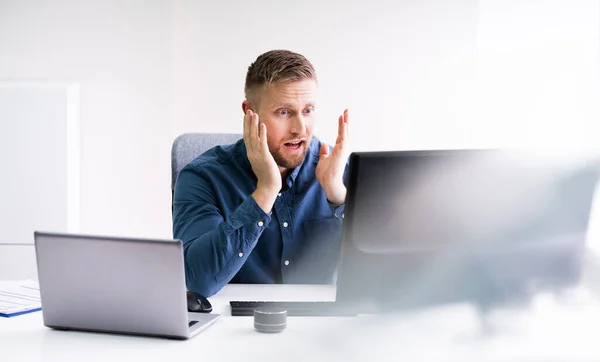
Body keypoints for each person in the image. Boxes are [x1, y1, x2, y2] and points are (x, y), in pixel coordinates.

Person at [173, 49, 350, 297]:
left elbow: (384, 276)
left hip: (321, 326)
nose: (300, 129)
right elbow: (198, 281)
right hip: (234, 327)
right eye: (284, 112)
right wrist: (265, 191)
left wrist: (340, 200)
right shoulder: (203, 177)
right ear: (249, 112)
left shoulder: (338, 168)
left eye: (308, 110)